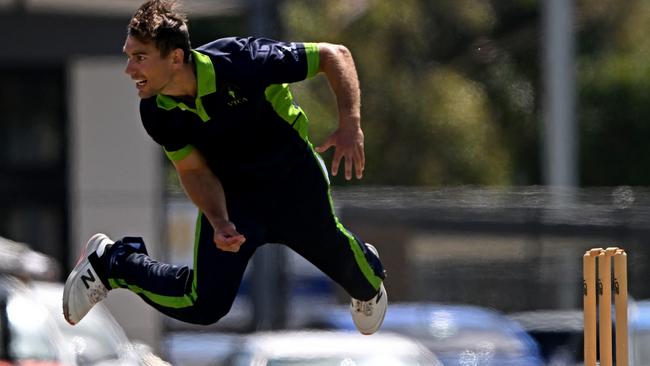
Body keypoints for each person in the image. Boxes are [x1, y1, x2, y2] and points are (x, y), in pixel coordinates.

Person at [62, 0, 387, 335]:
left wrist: (350, 124)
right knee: (203, 305)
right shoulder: (156, 112)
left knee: (368, 284)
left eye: (140, 57)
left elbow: (335, 55)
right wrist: (219, 221)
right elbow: (193, 171)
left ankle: (363, 262)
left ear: (175, 57)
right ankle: (114, 263)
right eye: (129, 56)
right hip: (236, 203)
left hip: (295, 189)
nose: (129, 69)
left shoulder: (243, 60)